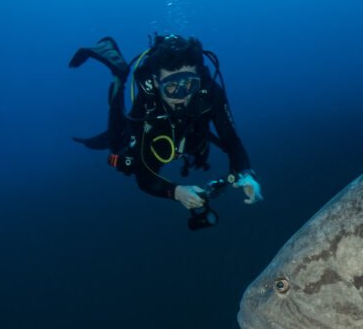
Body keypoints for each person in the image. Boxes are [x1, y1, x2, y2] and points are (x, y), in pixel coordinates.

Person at [70, 34, 262, 213]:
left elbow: (231, 139)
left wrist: (246, 174)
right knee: (118, 147)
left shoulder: (209, 92)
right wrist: (176, 191)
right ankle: (119, 72)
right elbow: (144, 176)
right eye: (171, 87)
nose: (182, 96)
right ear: (155, 82)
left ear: (199, 78)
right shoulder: (149, 101)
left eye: (189, 85)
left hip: (190, 141)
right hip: (154, 132)